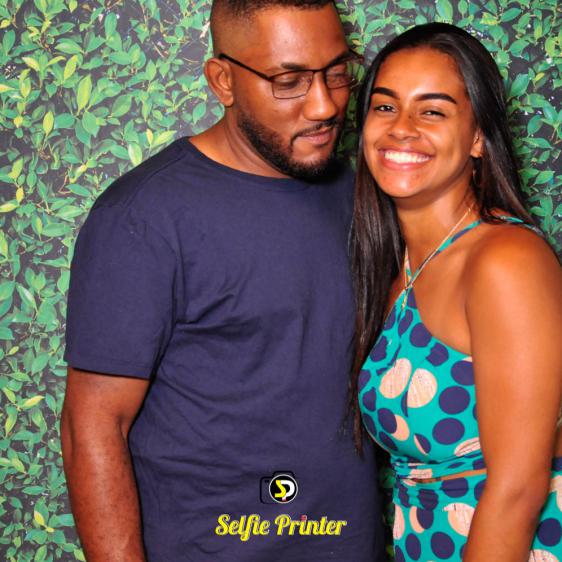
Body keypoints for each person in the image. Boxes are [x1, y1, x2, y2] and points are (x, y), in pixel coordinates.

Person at [61, 1, 385, 561]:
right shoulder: (143, 217)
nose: (326, 104)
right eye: (289, 81)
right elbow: (91, 425)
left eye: (337, 72)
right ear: (223, 80)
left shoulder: (360, 192)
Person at [351, 22, 562, 562]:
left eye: (433, 111)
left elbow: (517, 489)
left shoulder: (506, 261)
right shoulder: (398, 266)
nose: (401, 128)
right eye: (385, 106)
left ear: (477, 138)